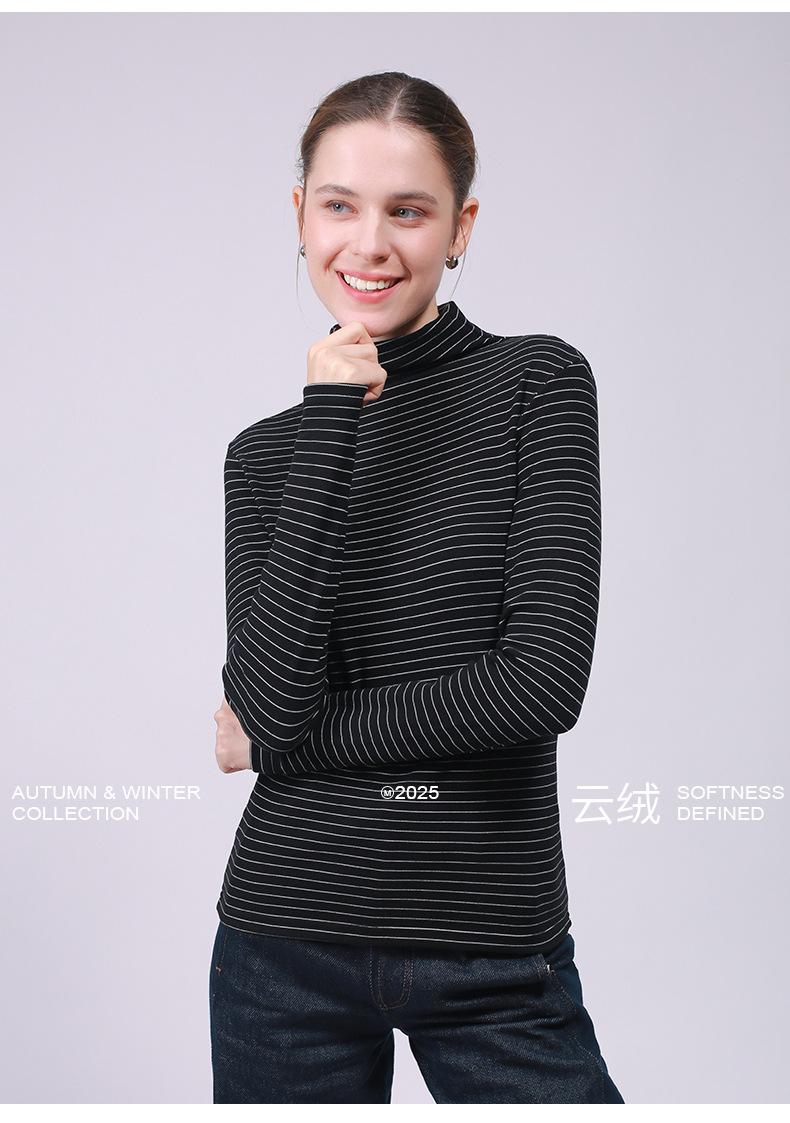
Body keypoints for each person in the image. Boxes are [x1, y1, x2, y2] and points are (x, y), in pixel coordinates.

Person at [209, 71, 625, 1105]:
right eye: (338, 205)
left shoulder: (537, 383)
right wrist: (330, 416)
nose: (369, 243)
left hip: (489, 942)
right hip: (280, 945)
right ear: (300, 217)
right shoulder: (265, 455)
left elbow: (537, 687)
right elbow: (274, 697)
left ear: (459, 227)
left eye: (407, 211)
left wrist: (281, 750)